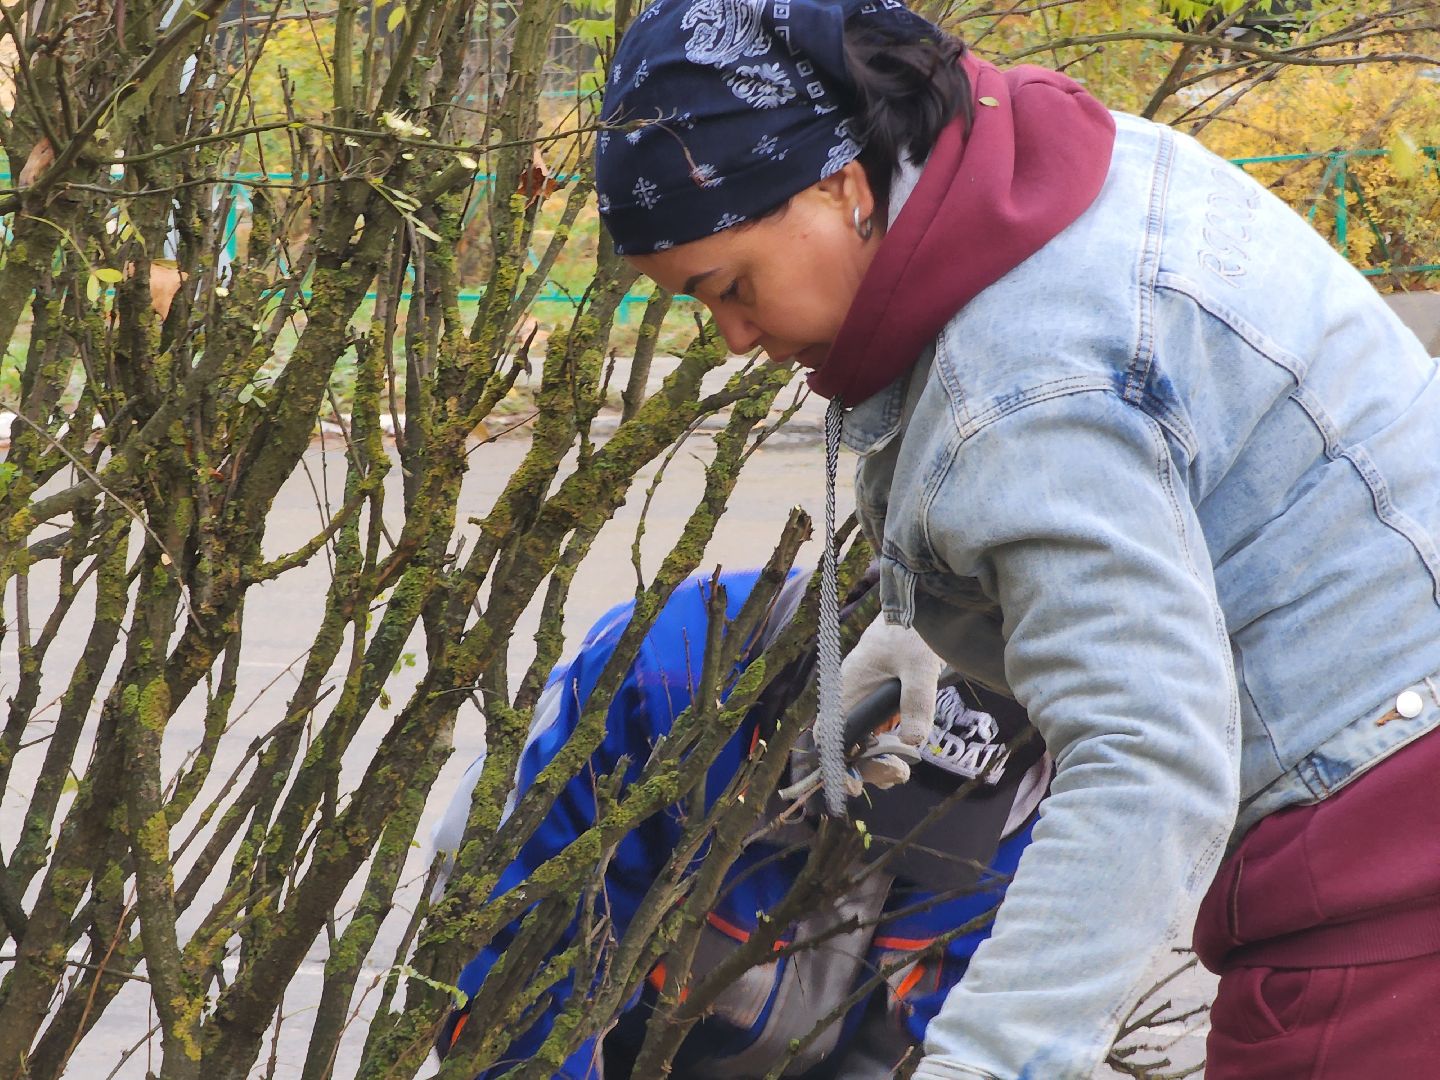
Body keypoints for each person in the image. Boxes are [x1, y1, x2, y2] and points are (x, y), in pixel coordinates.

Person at [592, 3, 1440, 1079]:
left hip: (1387, 858)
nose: (736, 336)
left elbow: (1147, 760)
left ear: (841, 187)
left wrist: (985, 1063)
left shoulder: (1023, 389)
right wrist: (933, 624)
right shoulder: (1036, 165)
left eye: (729, 285)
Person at [433, 568, 1052, 1077]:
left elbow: (930, 1035)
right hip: (614, 1029)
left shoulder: (1041, 807)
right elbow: (515, 966)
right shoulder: (665, 681)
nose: (860, 854)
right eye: (848, 807)